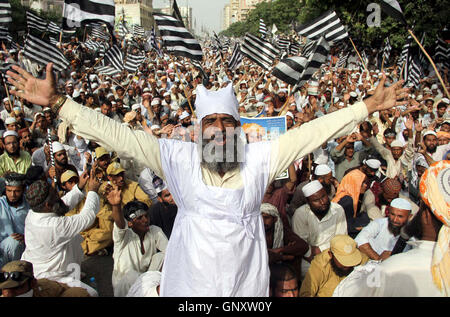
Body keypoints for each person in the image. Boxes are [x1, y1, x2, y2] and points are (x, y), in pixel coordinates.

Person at [7, 63, 408, 296]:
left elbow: (312, 133)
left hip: (244, 284)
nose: (219, 129)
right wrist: (61, 104)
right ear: (199, 131)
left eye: (227, 122)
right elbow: (119, 136)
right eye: (210, 122)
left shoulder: (260, 158)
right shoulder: (176, 157)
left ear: (239, 127)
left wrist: (366, 106)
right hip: (191, 284)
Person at [333, 160, 449, 297]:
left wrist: (378, 266)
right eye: (392, 214)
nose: (395, 219)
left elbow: (345, 292)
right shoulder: (379, 220)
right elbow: (362, 238)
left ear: (424, 215)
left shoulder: (392, 269)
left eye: (400, 216)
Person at [20, 170, 101, 297]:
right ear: (47, 204)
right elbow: (87, 217)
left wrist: (78, 187)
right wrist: (92, 191)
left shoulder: (34, 213)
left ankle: (74, 273)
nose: (58, 196)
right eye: (54, 195)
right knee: (91, 294)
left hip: (44, 266)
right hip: (51, 276)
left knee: (73, 237)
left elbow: (62, 204)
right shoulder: (53, 226)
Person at [109, 189, 168, 297]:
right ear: (130, 223)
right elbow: (120, 224)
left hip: (145, 281)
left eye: (146, 216)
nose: (145, 220)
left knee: (163, 256)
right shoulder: (123, 237)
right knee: (130, 276)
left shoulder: (154, 230)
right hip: (126, 286)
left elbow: (170, 251)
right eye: (140, 218)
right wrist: (116, 206)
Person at [291, 180, 347, 280]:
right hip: (308, 258)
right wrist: (312, 254)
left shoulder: (338, 210)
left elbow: (341, 240)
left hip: (334, 255)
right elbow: (301, 245)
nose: (323, 202)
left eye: (324, 197)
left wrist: (319, 249)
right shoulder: (300, 214)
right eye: (316, 200)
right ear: (308, 202)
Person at [300, 234, 369, 297]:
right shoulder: (319, 265)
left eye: (351, 261)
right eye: (344, 262)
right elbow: (306, 293)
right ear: (330, 254)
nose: (348, 266)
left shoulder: (363, 260)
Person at [0, 260, 90, 297]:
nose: (8, 294)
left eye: (16, 288)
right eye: (4, 289)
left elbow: (67, 290)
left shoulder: (46, 287)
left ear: (33, 283)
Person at [0, 173, 29, 267]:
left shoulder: (30, 204)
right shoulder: (1, 203)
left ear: (23, 190)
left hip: (27, 245)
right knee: (13, 243)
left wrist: (26, 238)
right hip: (3, 249)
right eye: (9, 191)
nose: (12, 195)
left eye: (17, 191)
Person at [332, 169, 371, 237]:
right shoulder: (347, 200)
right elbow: (344, 226)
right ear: (354, 183)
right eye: (362, 183)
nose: (365, 185)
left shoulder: (346, 195)